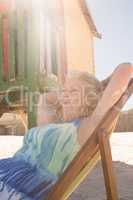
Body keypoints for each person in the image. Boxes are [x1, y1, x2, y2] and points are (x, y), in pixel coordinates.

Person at [0, 71, 104, 200]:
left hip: (14, 188)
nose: (64, 94)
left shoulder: (84, 128)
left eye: (74, 91)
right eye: (63, 90)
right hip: (7, 172)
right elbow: (45, 99)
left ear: (90, 100)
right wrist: (68, 94)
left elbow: (125, 70)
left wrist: (103, 86)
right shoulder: (53, 127)